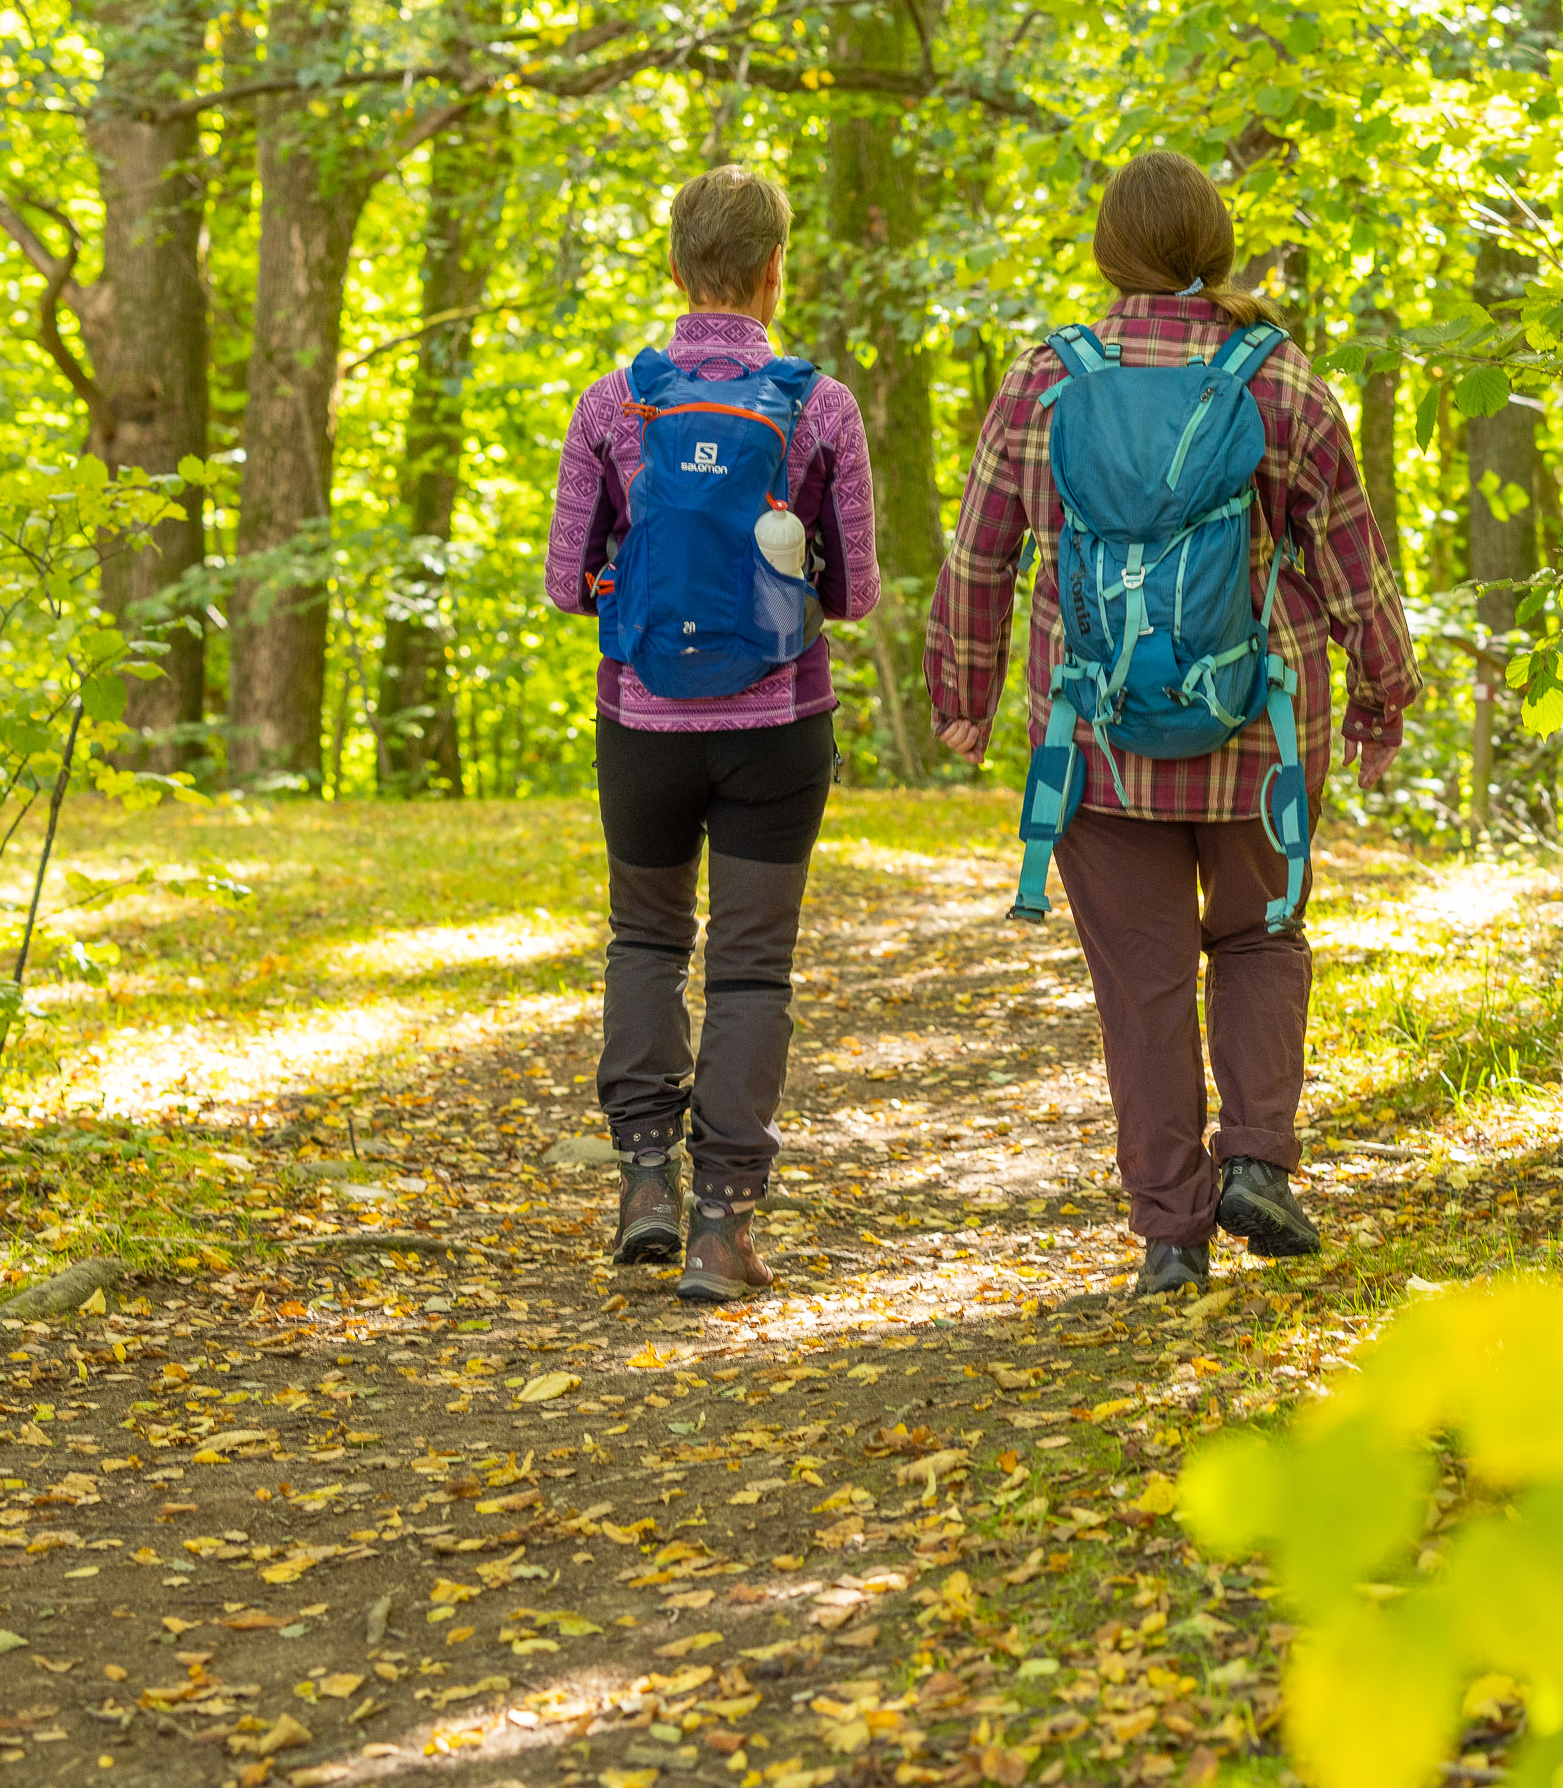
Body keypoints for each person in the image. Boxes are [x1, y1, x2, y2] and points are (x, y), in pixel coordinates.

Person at [927, 150, 1416, 1298]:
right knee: (1259, 939)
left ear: (1109, 255)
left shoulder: (1046, 380)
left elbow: (981, 555)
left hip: (1096, 738)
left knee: (1139, 981)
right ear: (1217, 246)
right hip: (1260, 732)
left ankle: (1169, 1237)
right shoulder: (1280, 381)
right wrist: (1383, 691)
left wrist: (964, 696)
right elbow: (1352, 560)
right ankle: (1256, 1163)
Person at [545, 165, 878, 1305]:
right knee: (750, 969)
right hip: (777, 728)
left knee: (644, 943)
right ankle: (721, 1229)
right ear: (776, 268)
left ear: (675, 266)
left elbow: (566, 583)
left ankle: (644, 1181)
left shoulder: (613, 404)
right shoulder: (821, 407)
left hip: (641, 723)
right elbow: (857, 593)